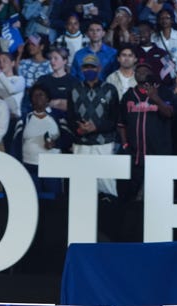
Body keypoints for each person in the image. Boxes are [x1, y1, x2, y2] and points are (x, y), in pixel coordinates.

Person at [118, 60, 177, 202]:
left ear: (151, 74)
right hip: (136, 156)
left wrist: (156, 99)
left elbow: (170, 114)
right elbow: (121, 124)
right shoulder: (129, 95)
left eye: (145, 71)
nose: (141, 73)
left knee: (158, 197)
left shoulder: (163, 92)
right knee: (134, 198)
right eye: (139, 71)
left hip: (158, 155)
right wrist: (125, 144)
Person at [67, 53, 120, 198]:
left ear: (99, 68)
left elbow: (114, 119)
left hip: (103, 143)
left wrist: (96, 127)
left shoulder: (110, 89)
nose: (88, 70)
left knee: (106, 182)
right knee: (81, 184)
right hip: (81, 143)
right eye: (85, 67)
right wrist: (79, 129)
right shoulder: (74, 89)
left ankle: (109, 212)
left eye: (92, 67)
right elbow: (70, 117)